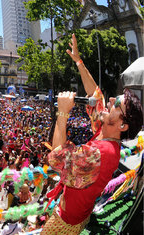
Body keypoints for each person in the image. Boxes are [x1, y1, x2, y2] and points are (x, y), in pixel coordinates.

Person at [41, 34, 143, 234]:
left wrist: (62, 113)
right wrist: (79, 61)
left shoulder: (103, 151)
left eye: (116, 104)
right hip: (74, 212)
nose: (111, 99)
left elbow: (56, 157)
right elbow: (95, 94)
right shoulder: (106, 133)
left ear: (122, 126)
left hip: (66, 223)